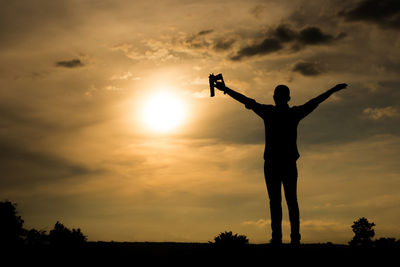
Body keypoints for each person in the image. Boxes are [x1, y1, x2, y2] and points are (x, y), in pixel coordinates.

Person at [213, 77, 347, 245]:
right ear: (288, 98)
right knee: (290, 200)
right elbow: (315, 102)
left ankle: (280, 237)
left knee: (277, 201)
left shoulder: (270, 112)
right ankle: (292, 238)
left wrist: (226, 89)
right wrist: (333, 89)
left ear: (275, 97)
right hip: (284, 163)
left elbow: (247, 101)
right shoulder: (292, 113)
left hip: (274, 163)